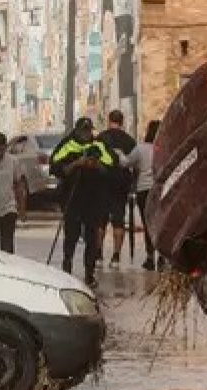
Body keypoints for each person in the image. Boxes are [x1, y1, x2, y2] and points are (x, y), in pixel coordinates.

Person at [50, 117, 117, 288]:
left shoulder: (99, 145)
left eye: (89, 131)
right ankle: (67, 268)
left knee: (91, 238)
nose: (87, 134)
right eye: (83, 131)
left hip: (93, 199)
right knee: (71, 236)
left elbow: (112, 166)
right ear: (77, 130)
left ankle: (89, 273)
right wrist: (76, 164)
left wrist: (96, 165)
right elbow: (55, 167)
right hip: (72, 198)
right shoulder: (67, 145)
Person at [97, 110, 137, 268]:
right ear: (122, 121)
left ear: (109, 120)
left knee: (100, 221)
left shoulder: (101, 138)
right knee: (118, 221)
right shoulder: (129, 141)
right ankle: (116, 256)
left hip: (102, 184)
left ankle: (98, 255)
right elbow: (134, 165)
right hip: (121, 185)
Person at [125, 119, 163, 271]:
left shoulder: (140, 149)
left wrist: (119, 154)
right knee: (160, 223)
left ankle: (150, 257)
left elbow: (126, 162)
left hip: (143, 190)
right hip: (160, 190)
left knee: (148, 224)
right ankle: (162, 256)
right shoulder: (164, 147)